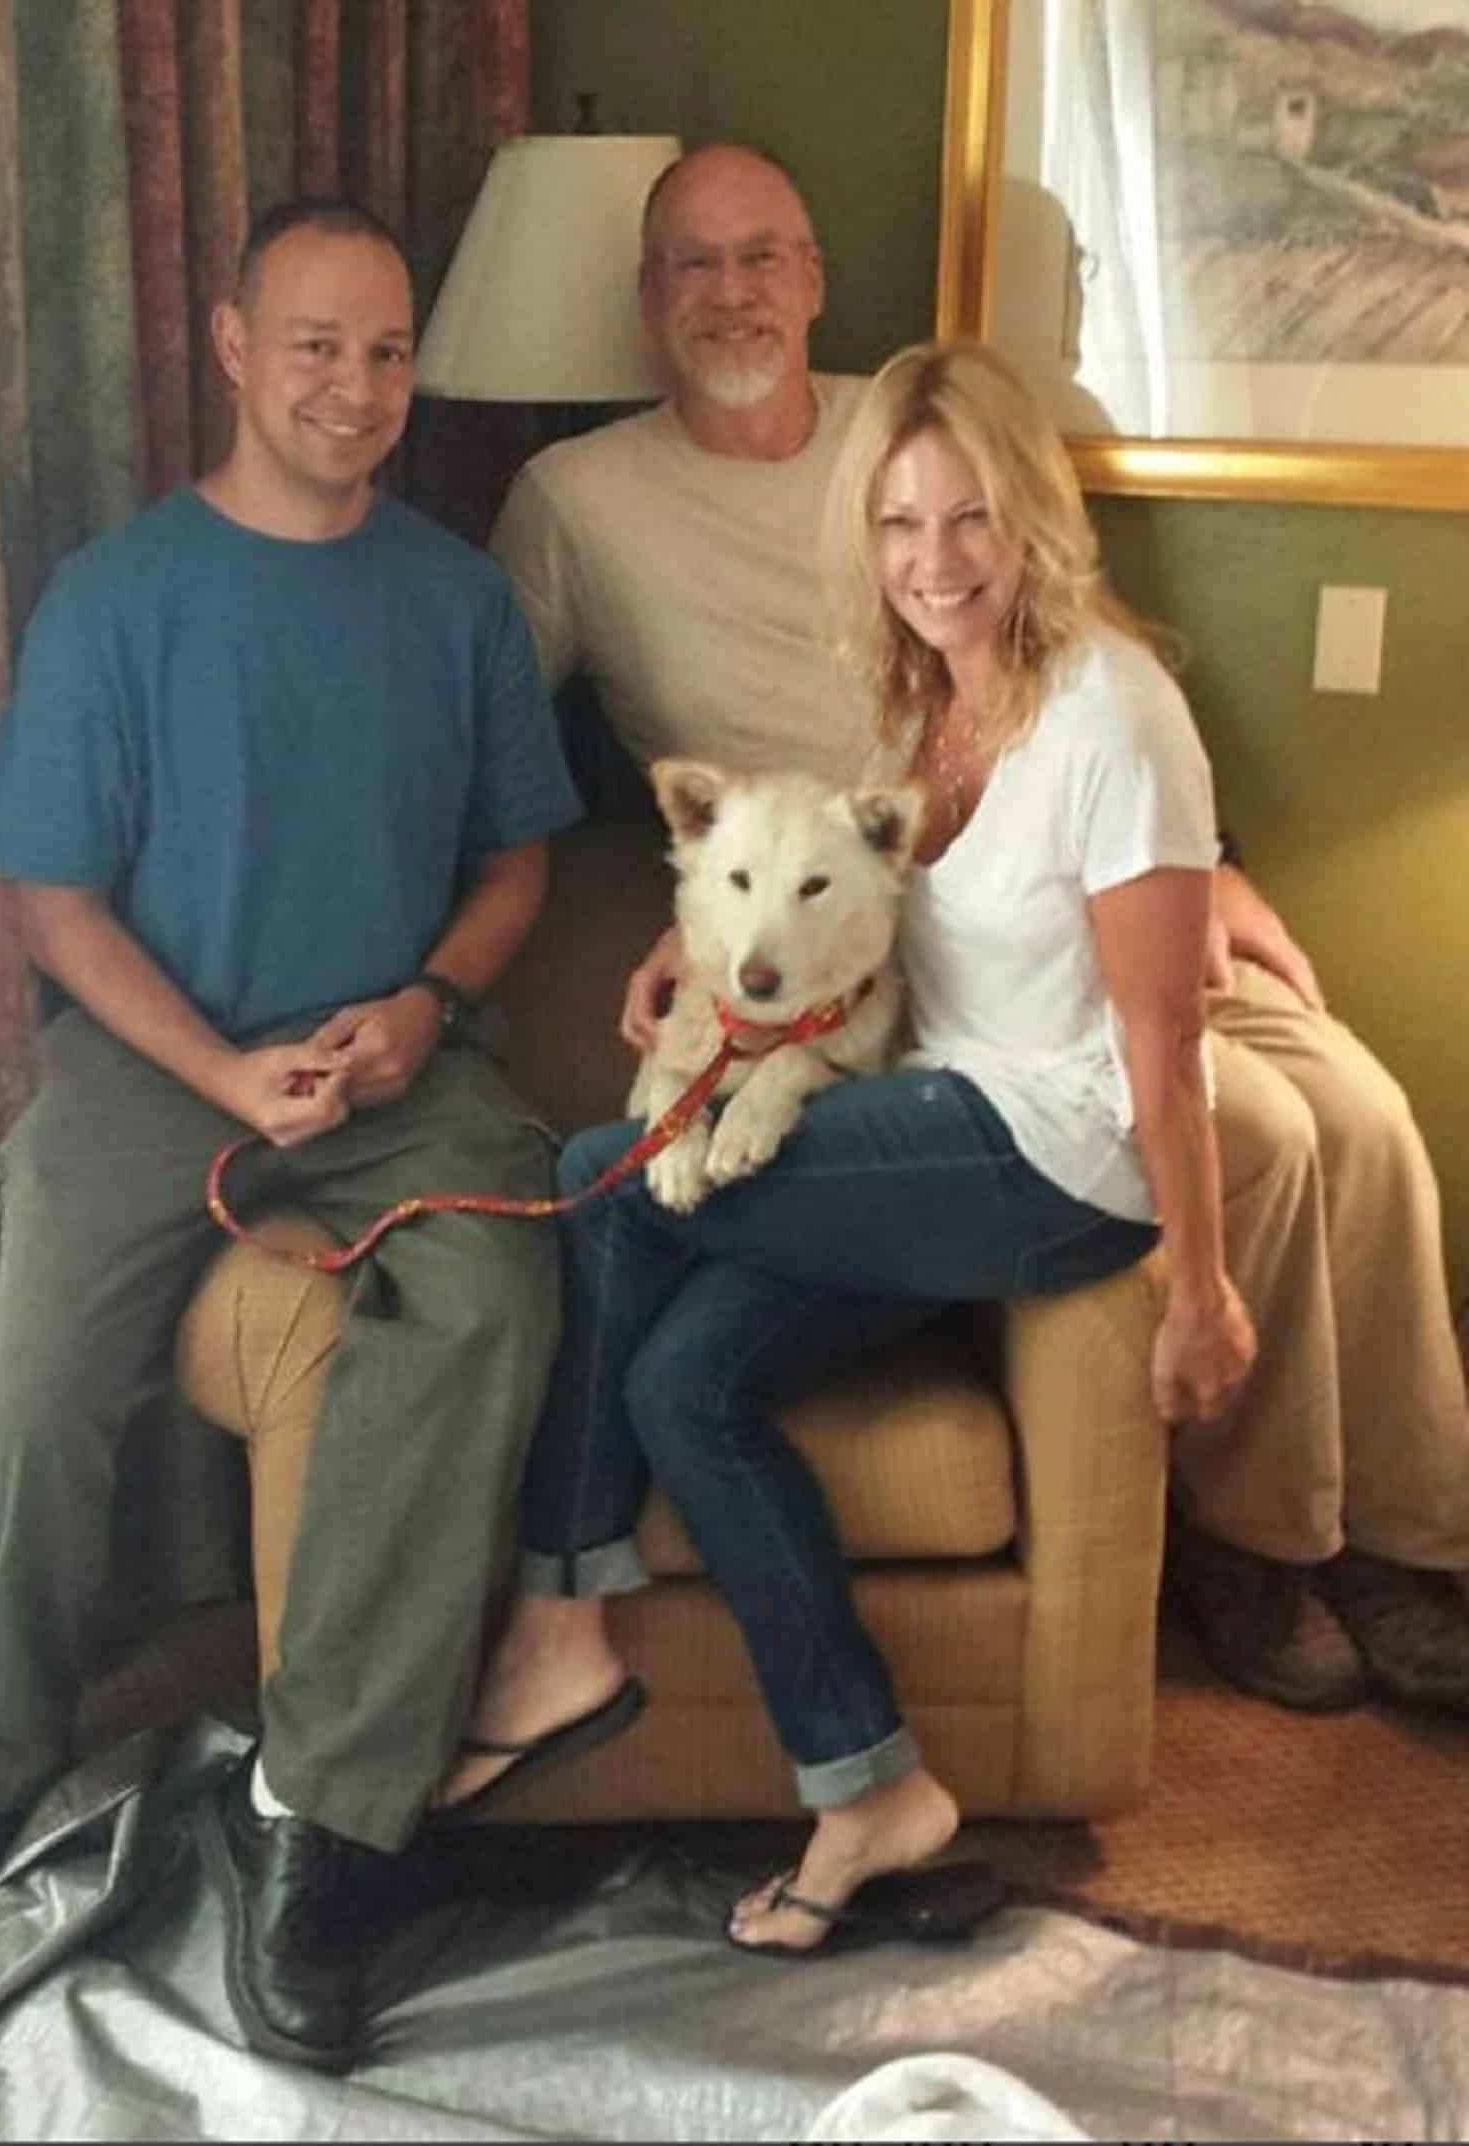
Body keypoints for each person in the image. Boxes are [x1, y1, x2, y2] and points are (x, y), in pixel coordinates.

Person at [489, 143, 1469, 1717]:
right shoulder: (576, 500)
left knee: (1362, 1110)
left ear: (814, 277)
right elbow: (486, 729)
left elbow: (1067, 658)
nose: (731, 293)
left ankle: (1411, 1546)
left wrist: (1194, 856)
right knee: (1266, 1137)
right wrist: (704, 915)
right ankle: (1261, 1535)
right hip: (890, 932)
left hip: (1041, 874)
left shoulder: (901, 433)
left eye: (763, 257)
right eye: (692, 265)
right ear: (646, 299)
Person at [0, 199, 581, 2071]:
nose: (355, 387)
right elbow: (48, 904)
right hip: (155, 1056)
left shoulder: (456, 599)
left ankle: (324, 1827)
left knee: (500, 1289)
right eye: (317, 344)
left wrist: (427, 1002)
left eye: (387, 352)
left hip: (389, 1054)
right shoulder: (119, 593)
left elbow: (519, 864)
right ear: (231, 345)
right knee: (28, 1379)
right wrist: (216, 1071)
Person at [440, 336, 1256, 1954]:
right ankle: (868, 1780)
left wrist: (1203, 1286)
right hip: (933, 1117)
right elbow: (857, 912)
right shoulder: (926, 696)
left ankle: (558, 1616)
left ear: (1034, 517)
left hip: (1050, 1157)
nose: (936, 564)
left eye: (970, 521)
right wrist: (715, 956)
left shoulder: (1117, 714)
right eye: (899, 525)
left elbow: (1164, 1040)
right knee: (684, 1384)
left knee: (610, 1183)